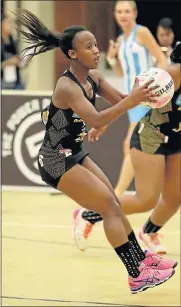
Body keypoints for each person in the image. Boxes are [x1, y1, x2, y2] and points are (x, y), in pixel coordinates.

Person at [16, 9, 176, 294]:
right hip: (55, 161)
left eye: (96, 45)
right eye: (88, 47)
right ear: (73, 54)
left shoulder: (94, 79)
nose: (96, 50)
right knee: (107, 207)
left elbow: (122, 102)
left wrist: (147, 95)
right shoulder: (67, 86)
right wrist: (121, 108)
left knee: (112, 202)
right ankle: (136, 273)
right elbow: (99, 118)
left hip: (73, 153)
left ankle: (142, 262)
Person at [76, 43, 181, 255]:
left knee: (174, 197)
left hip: (176, 139)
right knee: (146, 199)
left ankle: (149, 233)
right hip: (151, 137)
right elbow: (134, 97)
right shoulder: (173, 74)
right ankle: (89, 215)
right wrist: (105, 121)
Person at [106, 0, 168, 197]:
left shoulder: (141, 33)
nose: (123, 15)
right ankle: (147, 192)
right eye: (119, 11)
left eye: (126, 11)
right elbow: (120, 72)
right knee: (137, 149)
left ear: (134, 13)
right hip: (132, 100)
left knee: (130, 145)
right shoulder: (120, 40)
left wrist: (159, 85)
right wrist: (111, 58)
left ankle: (117, 196)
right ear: (115, 14)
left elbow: (162, 58)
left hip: (146, 97)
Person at [1, 14, 24, 89]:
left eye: (11, 23)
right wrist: (6, 63)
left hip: (15, 82)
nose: (10, 25)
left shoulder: (13, 42)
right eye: (8, 23)